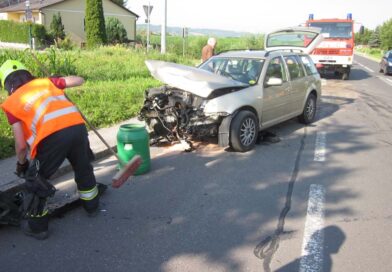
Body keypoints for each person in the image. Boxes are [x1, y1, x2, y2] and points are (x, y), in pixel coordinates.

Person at [0, 60, 99, 240]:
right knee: (83, 168)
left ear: (7, 84)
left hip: (52, 137)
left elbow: (21, 145)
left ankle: (38, 228)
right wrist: (57, 80)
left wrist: (22, 164)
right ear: (27, 73)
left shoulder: (11, 103)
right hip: (77, 127)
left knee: (35, 182)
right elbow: (79, 80)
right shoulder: (46, 82)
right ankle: (92, 207)